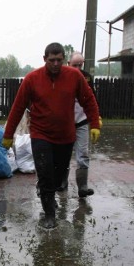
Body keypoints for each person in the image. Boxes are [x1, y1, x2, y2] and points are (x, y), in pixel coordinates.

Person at [1, 43, 100, 229]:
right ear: (44, 59)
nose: (55, 64)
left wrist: (94, 123)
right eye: (51, 60)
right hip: (41, 134)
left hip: (65, 136)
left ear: (64, 60)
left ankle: (48, 193)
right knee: (45, 173)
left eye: (59, 60)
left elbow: (88, 100)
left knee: (59, 174)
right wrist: (8, 135)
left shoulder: (74, 77)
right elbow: (18, 107)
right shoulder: (32, 79)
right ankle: (49, 215)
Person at [58, 52, 100, 197]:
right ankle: (62, 182)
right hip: (65, 123)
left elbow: (91, 99)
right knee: (64, 155)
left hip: (81, 121)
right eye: (74, 65)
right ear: (68, 63)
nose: (77, 68)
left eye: (80, 65)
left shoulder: (87, 77)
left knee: (83, 154)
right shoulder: (61, 76)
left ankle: (82, 186)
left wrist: (96, 119)